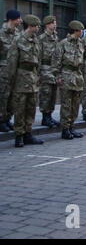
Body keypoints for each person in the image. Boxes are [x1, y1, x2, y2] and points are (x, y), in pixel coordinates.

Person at [7, 15, 45, 147]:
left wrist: (39, 76)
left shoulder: (36, 41)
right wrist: (11, 81)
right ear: (31, 26)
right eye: (37, 26)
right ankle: (19, 136)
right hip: (21, 79)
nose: (38, 28)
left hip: (33, 79)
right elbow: (12, 62)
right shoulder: (18, 40)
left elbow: (38, 61)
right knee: (19, 108)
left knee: (31, 109)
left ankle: (28, 134)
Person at [52, 21, 85, 140]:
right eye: (80, 30)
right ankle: (65, 129)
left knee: (75, 104)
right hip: (66, 75)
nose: (81, 32)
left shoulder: (80, 44)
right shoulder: (63, 44)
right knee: (66, 103)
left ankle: (72, 126)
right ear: (75, 31)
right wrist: (58, 76)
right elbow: (56, 61)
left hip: (77, 75)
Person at [0, 10, 22, 133]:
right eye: (19, 18)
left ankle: (8, 118)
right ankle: (1, 120)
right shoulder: (1, 34)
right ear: (12, 19)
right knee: (3, 95)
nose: (20, 21)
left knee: (13, 96)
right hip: (4, 69)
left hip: (16, 70)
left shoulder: (18, 34)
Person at [38, 15, 60, 128]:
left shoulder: (56, 37)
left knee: (53, 95)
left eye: (55, 22)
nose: (55, 24)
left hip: (54, 69)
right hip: (45, 69)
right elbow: (38, 56)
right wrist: (38, 73)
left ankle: (49, 116)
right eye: (52, 22)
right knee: (45, 94)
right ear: (47, 25)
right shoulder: (41, 38)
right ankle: (45, 117)